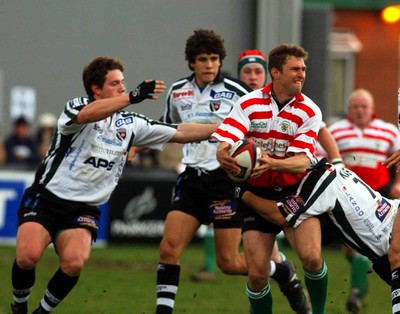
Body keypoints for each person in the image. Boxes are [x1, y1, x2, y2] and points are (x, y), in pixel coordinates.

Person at [9, 56, 219, 314]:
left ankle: (41, 312)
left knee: (74, 263)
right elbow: (87, 114)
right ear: (96, 89)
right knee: (27, 257)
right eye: (115, 83)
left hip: (83, 208)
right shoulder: (77, 107)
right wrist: (132, 96)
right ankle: (19, 306)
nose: (122, 87)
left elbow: (180, 131)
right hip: (47, 198)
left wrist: (224, 128)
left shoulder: (130, 124)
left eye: (123, 83)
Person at [156, 29, 271, 314]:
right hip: (192, 178)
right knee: (169, 249)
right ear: (191, 62)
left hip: (225, 180)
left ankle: (277, 268)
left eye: (214, 59)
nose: (209, 64)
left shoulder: (237, 91)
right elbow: (166, 126)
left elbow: (261, 125)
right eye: (203, 59)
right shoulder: (177, 91)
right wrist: (135, 147)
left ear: (221, 61)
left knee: (229, 264)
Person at [192, 48, 313, 313]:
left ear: (267, 72)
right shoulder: (245, 101)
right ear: (276, 73)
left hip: (288, 190)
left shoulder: (305, 108)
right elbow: (228, 135)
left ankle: (289, 276)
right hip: (245, 185)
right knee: (249, 271)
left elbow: (311, 148)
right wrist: (222, 150)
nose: (252, 76)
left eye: (256, 71)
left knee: (310, 258)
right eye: (247, 71)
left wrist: (335, 158)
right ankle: (282, 272)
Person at [236, 158, 400, 314]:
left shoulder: (318, 181)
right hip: (391, 223)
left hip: (389, 243)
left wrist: (243, 193)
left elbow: (278, 215)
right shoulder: (328, 169)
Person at [328, 88, 400, 313]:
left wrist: (398, 184)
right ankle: (364, 278)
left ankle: (357, 292)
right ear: (349, 109)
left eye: (364, 107)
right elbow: (323, 157)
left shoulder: (388, 131)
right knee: (353, 249)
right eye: (355, 107)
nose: (360, 111)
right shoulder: (336, 130)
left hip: (381, 195)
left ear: (372, 109)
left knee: (378, 248)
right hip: (349, 198)